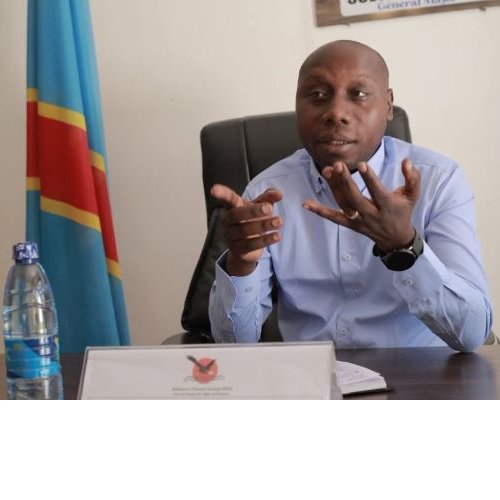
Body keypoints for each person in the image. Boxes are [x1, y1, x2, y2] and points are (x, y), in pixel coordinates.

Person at [208, 40, 493, 351]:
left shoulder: (439, 180)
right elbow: (232, 345)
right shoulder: (267, 193)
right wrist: (241, 263)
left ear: (388, 105)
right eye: (317, 95)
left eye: (358, 94)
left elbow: (471, 334)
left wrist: (404, 246)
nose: (336, 113)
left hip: (420, 373)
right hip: (311, 376)